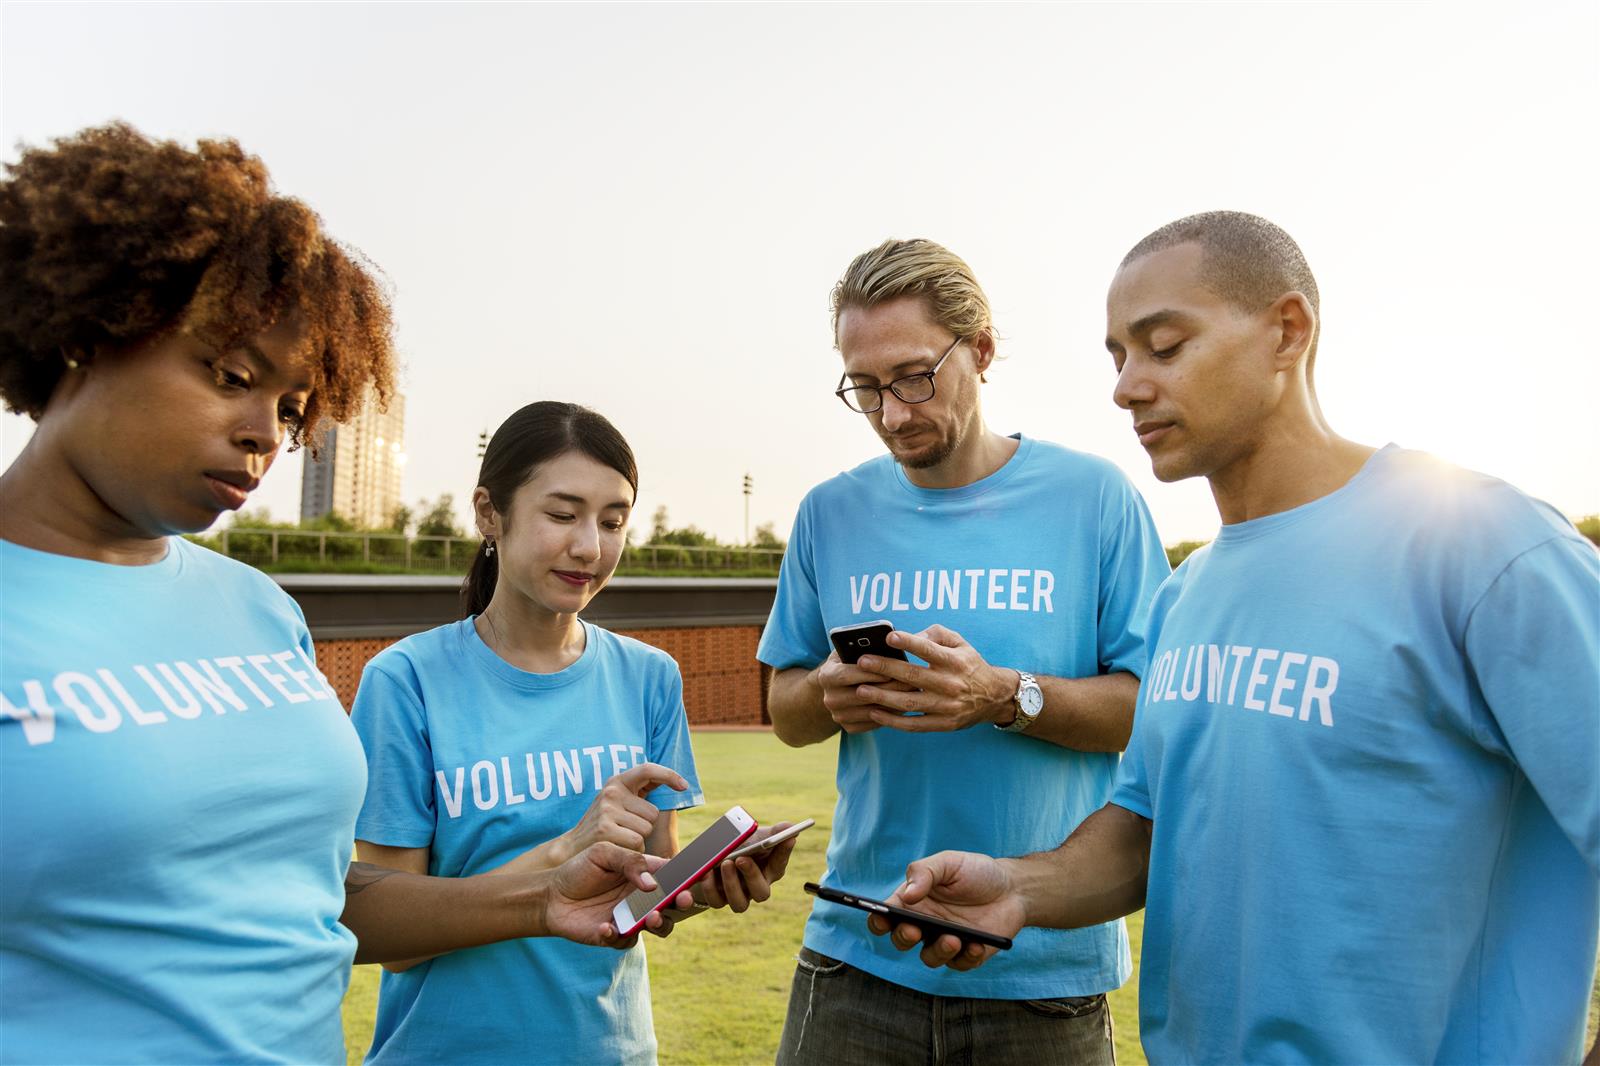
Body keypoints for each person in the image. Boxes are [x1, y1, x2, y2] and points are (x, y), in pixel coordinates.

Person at [0, 125, 683, 1066]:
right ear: (90, 328)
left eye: (290, 407)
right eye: (231, 376)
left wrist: (542, 894)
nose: (265, 436)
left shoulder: (258, 610)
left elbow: (332, 901)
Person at [869, 211, 1600, 1063]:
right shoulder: (1188, 595)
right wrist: (1019, 888)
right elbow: (1145, 826)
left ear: (1287, 331)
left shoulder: (1487, 550)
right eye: (1118, 357)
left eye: (1165, 346)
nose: (1126, 387)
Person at [759, 238, 1170, 1064]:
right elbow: (785, 710)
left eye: (915, 376)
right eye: (866, 388)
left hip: (1042, 968)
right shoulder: (828, 514)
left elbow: (1151, 712)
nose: (894, 413)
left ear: (980, 350)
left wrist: (1004, 694)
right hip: (856, 954)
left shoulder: (1094, 500)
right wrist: (828, 694)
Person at [349, 400, 797, 1065]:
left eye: (613, 521)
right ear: (488, 514)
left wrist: (699, 886)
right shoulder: (406, 681)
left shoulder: (650, 677)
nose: (590, 546)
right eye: (562, 515)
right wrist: (564, 855)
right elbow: (388, 933)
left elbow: (641, 893)